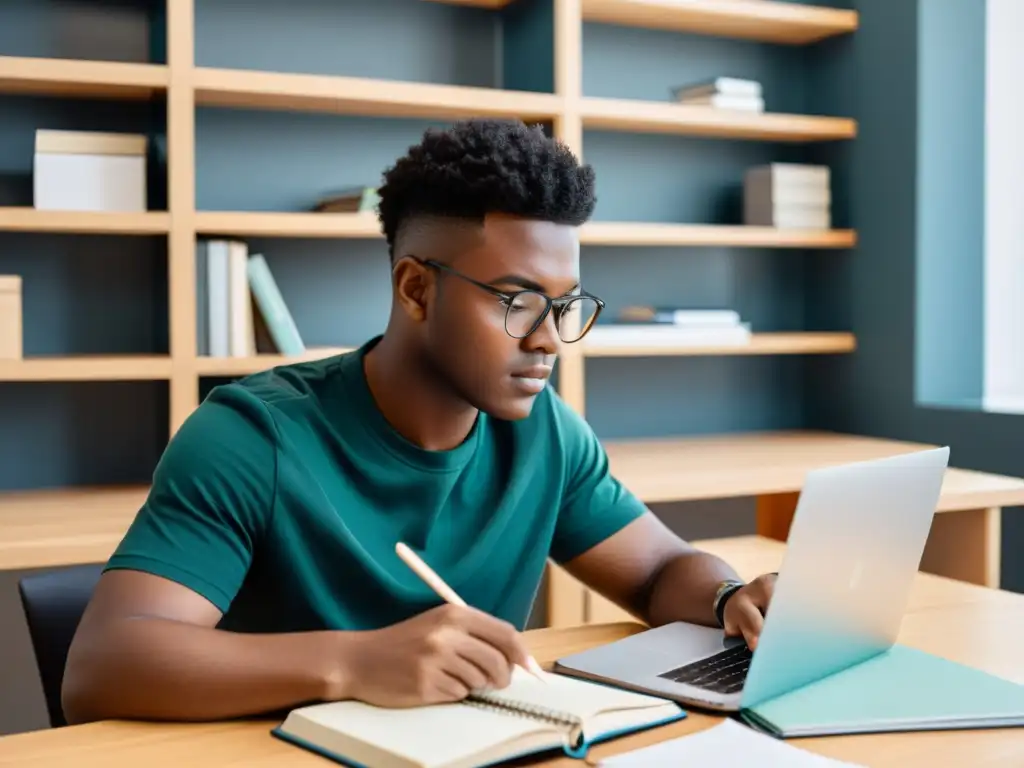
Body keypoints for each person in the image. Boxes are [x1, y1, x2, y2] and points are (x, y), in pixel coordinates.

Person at [62, 118, 778, 725]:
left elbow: (657, 571)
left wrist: (728, 598)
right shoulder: (251, 437)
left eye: (564, 306)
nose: (549, 339)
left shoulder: (544, 433)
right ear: (414, 288)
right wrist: (353, 661)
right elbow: (104, 664)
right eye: (517, 300)